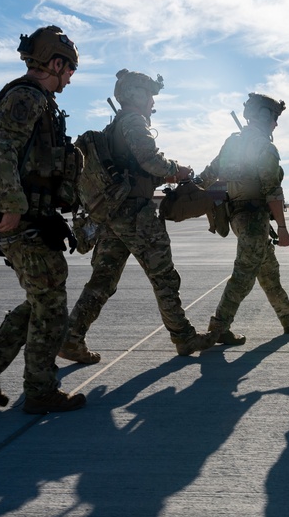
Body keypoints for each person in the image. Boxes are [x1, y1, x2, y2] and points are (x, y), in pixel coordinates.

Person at [0, 25, 86, 414]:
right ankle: (40, 391)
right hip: (22, 221)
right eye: (70, 71)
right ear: (56, 63)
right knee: (52, 305)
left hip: (32, 218)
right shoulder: (26, 98)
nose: (70, 79)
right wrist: (12, 206)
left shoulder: (35, 99)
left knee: (42, 299)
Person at [57, 69, 214, 363]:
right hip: (135, 215)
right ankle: (183, 337)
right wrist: (176, 170)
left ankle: (71, 338)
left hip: (111, 216)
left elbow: (135, 169)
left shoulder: (113, 127)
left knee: (103, 280)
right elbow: (151, 160)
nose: (153, 103)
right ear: (137, 95)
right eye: (150, 95)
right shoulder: (133, 122)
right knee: (164, 276)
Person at [198, 93, 289, 346]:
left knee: (268, 270)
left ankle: (288, 316)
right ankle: (218, 328)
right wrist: (282, 228)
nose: (276, 124)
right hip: (254, 218)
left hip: (236, 215)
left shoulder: (233, 142)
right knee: (244, 274)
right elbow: (273, 191)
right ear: (262, 116)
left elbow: (211, 172)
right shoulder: (265, 147)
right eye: (274, 117)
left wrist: (191, 186)